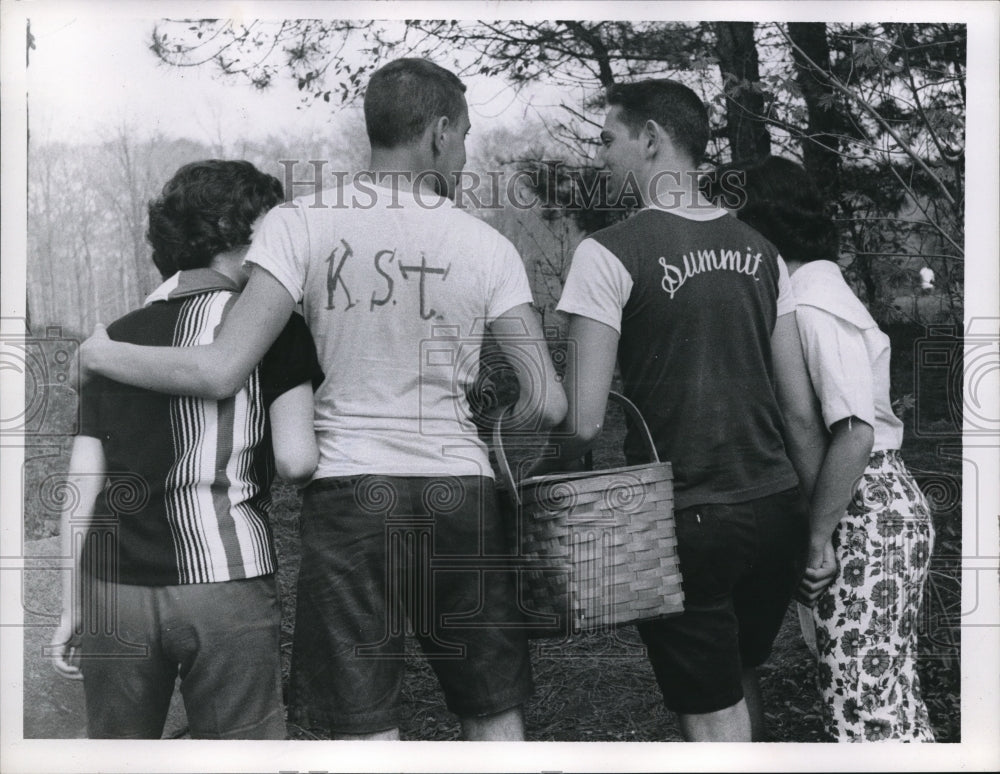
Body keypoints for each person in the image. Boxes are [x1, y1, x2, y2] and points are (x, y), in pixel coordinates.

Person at [80, 58, 566, 741]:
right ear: (438, 131)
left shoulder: (298, 223)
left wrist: (101, 354)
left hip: (351, 497)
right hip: (462, 494)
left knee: (362, 725)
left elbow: (222, 369)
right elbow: (546, 397)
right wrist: (494, 458)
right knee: (492, 710)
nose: (464, 154)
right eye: (465, 137)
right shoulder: (486, 245)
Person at [531, 79, 826, 742]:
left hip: (682, 523)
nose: (601, 156)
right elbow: (800, 413)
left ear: (653, 139)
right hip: (776, 510)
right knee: (741, 680)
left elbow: (580, 421)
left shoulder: (607, 253)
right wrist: (817, 529)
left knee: (713, 715)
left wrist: (540, 480)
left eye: (609, 140)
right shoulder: (764, 251)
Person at [50, 160, 322, 739]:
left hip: (112, 590)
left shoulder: (112, 339)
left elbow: (81, 487)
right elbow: (298, 460)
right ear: (237, 230)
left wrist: (71, 600)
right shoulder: (277, 330)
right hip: (226, 582)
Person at [732, 155, 936, 742]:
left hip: (863, 504)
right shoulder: (813, 288)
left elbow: (856, 431)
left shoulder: (814, 298)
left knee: (863, 707)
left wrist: (818, 538)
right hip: (865, 503)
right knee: (881, 700)